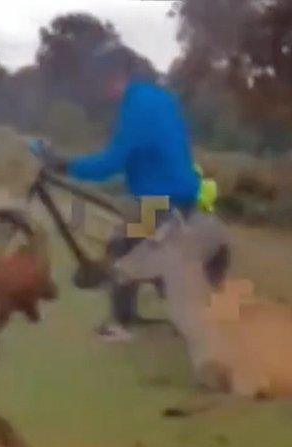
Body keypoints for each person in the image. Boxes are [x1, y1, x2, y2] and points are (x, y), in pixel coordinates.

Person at [36, 44, 226, 343]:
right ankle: (144, 308)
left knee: (123, 249)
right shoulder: (156, 98)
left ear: (115, 76)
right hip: (175, 192)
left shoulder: (138, 107)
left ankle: (124, 324)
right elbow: (144, 153)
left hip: (163, 198)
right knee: (132, 244)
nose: (98, 87)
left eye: (100, 79)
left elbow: (113, 161)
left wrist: (66, 165)